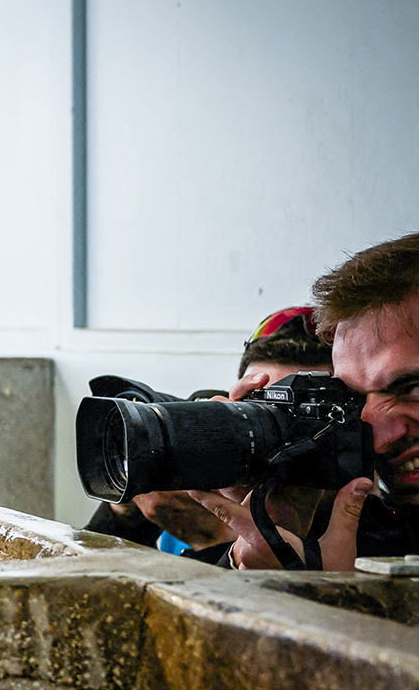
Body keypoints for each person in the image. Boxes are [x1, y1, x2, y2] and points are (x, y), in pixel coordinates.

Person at [185, 234, 419, 571]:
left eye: (412, 388)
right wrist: (260, 552)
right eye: (352, 400)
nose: (378, 440)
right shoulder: (375, 537)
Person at [87, 305, 334, 555]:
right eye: (257, 403)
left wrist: (221, 541)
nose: (269, 426)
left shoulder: (356, 525)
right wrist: (125, 511)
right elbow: (85, 578)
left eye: (294, 413)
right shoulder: (210, 461)